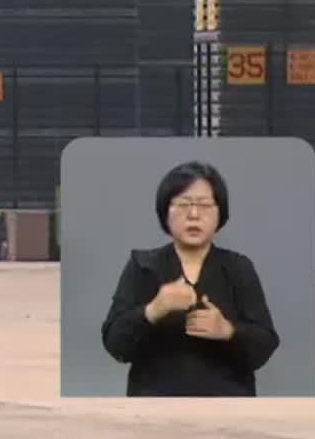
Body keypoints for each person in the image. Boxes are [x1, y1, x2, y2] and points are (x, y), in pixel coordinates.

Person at [100, 160, 281, 396]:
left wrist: (228, 331)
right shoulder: (143, 266)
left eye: (205, 205)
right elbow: (116, 346)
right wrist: (154, 309)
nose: (194, 215)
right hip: (154, 405)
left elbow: (264, 346)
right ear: (165, 212)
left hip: (228, 405)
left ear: (220, 213)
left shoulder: (238, 267)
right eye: (184, 204)